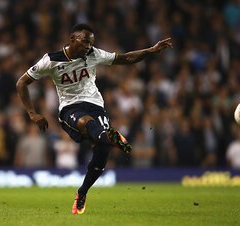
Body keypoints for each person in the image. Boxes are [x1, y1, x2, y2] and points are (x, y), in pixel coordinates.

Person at [16, 23, 173, 215]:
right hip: (70, 107)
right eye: (85, 42)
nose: (88, 47)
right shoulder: (51, 60)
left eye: (91, 43)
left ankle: (82, 192)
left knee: (103, 149)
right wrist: (32, 113)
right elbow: (22, 82)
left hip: (96, 105)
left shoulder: (93, 54)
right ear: (72, 39)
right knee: (85, 123)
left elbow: (125, 58)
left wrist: (151, 50)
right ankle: (111, 137)